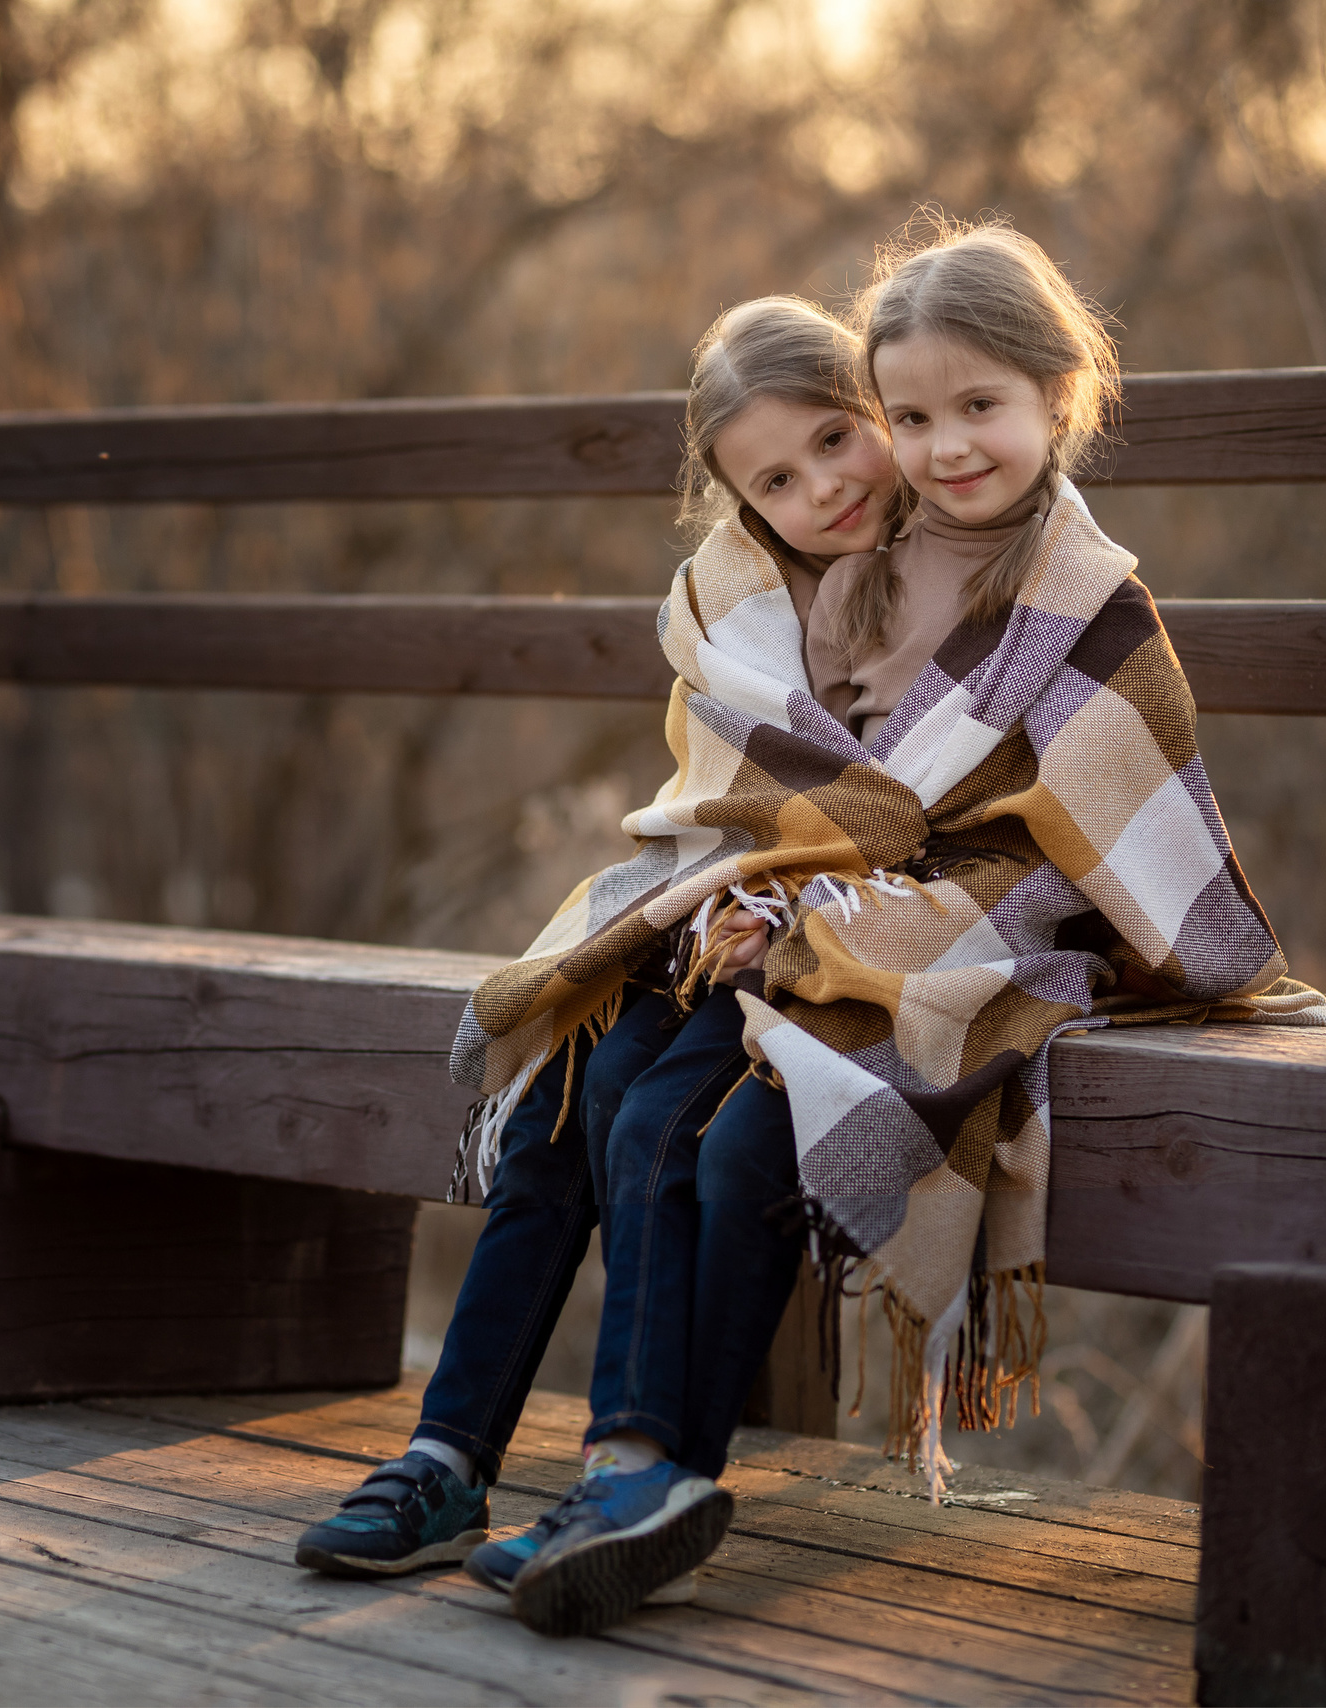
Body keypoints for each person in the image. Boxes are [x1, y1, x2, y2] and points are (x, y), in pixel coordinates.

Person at [491, 215, 1326, 1637]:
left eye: (982, 408)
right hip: (832, 929)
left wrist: (890, 910)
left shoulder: (1084, 598)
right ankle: (641, 1473)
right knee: (649, 1117)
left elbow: (1115, 812)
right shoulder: (882, 563)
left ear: (1059, 394)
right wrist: (799, 893)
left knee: (763, 1134)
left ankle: (661, 1476)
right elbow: (828, 776)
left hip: (996, 937)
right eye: (917, 416)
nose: (949, 448)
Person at [292, 298, 897, 1610]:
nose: (822, 488)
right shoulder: (726, 597)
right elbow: (726, 785)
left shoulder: (934, 565)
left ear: (876, 404)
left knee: (645, 1107)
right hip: (711, 900)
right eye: (776, 479)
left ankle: (631, 1467)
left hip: (850, 923)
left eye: (836, 439)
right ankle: (449, 1457)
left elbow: (911, 792)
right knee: (555, 1110)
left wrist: (779, 890)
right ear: (736, 500)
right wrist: (719, 890)